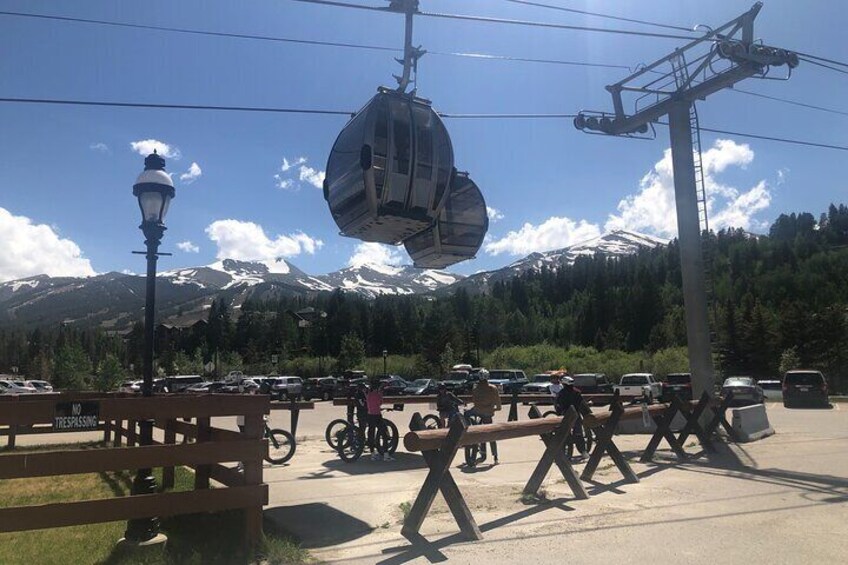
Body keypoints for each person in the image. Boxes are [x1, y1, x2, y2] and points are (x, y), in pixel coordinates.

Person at [469, 369, 501, 464]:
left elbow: (474, 402)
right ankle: (495, 457)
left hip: (477, 411)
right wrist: (492, 409)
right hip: (488, 413)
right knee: (491, 434)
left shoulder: (475, 388)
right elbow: (499, 406)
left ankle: (466, 436)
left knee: (466, 415)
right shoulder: (493, 388)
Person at [555, 376, 589, 460]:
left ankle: (565, 453)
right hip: (576, 415)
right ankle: (583, 451)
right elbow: (582, 404)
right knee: (579, 433)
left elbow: (558, 405)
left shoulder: (561, 393)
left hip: (565, 416)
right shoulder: (577, 392)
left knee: (564, 434)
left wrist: (558, 412)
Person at [365, 380, 393, 461]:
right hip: (377, 415)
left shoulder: (368, 394)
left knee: (371, 434)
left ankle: (373, 454)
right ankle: (386, 455)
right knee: (384, 434)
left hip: (370, 415)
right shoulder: (377, 395)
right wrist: (381, 393)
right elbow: (380, 403)